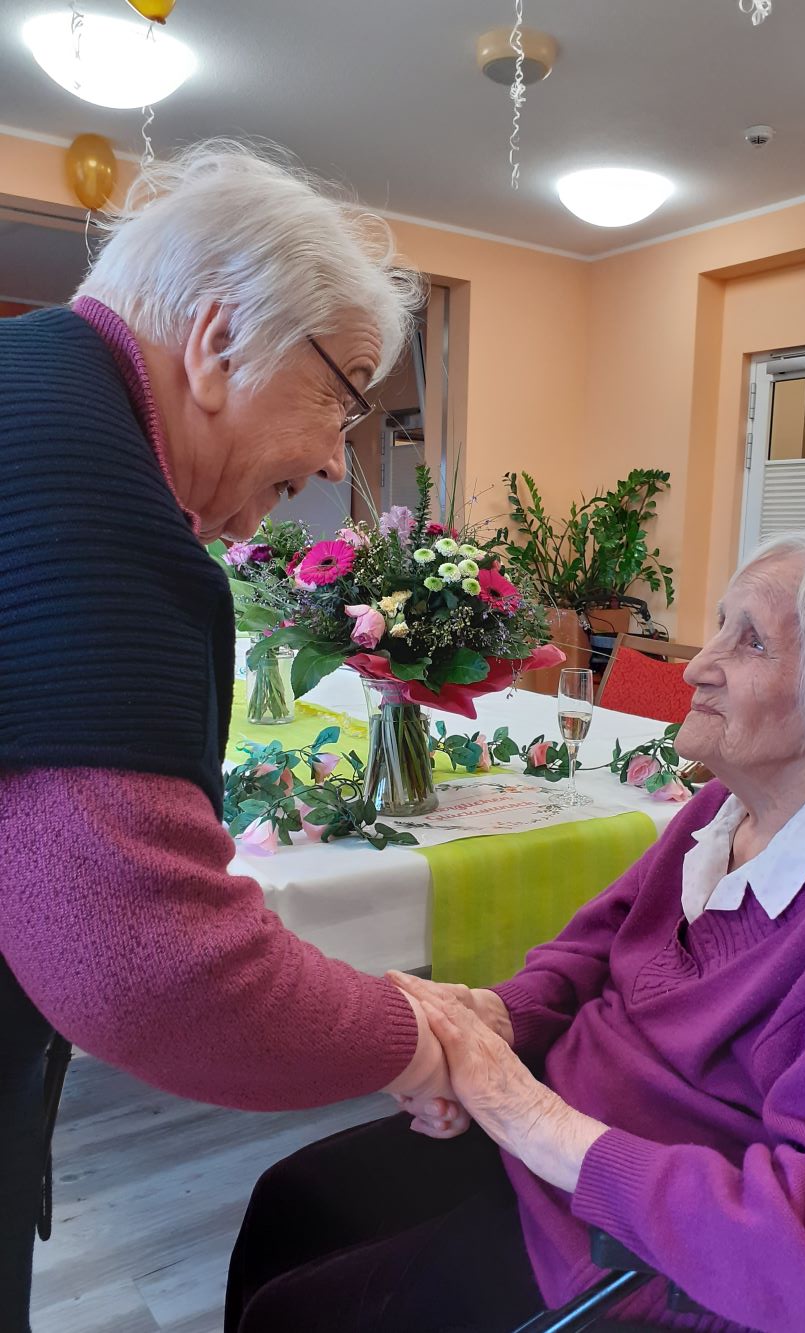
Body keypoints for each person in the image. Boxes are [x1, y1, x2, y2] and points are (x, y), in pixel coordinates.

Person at [226, 533, 805, 1333]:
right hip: (548, 1152)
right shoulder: (723, 808)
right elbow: (593, 949)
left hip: (641, 1259)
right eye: (720, 625)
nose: (696, 667)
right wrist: (495, 1023)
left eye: (750, 640)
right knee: (287, 1205)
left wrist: (528, 1113)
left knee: (294, 1316)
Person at [0, 141, 457, 1331]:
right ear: (215, 342)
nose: (328, 463)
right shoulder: (95, 498)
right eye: (344, 396)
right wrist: (420, 1034)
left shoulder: (25, 384)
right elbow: (148, 967)